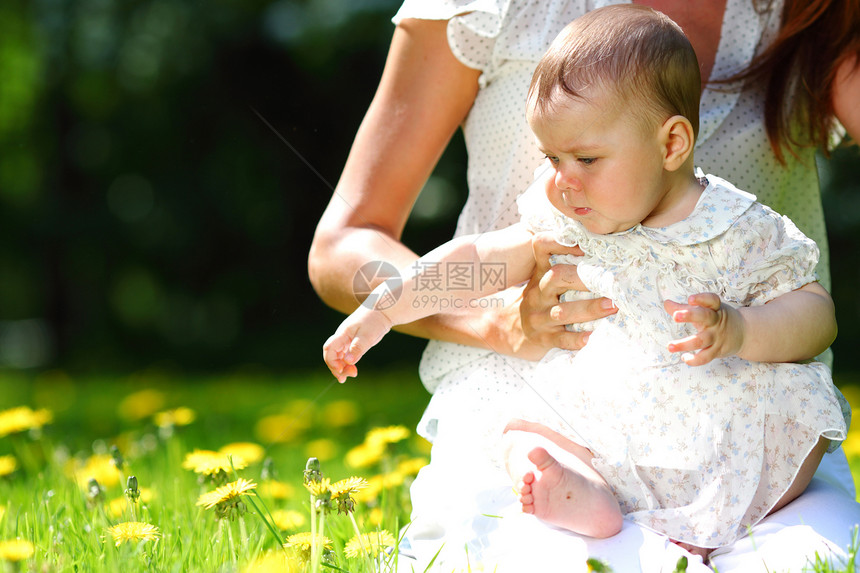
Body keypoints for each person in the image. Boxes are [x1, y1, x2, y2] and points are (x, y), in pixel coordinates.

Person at [309, 0, 860, 570]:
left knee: (812, 522)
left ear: (671, 144)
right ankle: (584, 493)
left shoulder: (737, 225)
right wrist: (386, 307)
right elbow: (474, 261)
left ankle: (735, 518)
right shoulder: (566, 222)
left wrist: (745, 328)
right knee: (525, 433)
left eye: (586, 158)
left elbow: (815, 312)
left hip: (722, 423)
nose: (562, 182)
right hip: (604, 419)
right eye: (551, 158)